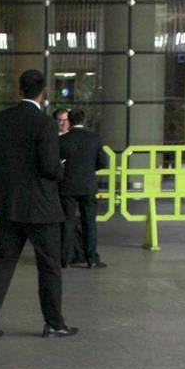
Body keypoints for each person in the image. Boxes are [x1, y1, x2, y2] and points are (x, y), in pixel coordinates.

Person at [0, 69, 78, 338]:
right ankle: (54, 322)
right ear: (43, 93)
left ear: (20, 90)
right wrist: (61, 168)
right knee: (48, 265)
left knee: (4, 261)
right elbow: (49, 167)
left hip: (10, 204)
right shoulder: (44, 124)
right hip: (41, 207)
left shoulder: (1, 120)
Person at [59, 108, 107, 268]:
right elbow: (103, 162)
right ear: (84, 121)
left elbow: (55, 163)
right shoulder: (94, 138)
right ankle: (91, 258)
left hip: (67, 186)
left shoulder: (63, 140)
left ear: (70, 121)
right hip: (88, 185)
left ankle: (65, 258)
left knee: (67, 222)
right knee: (89, 222)